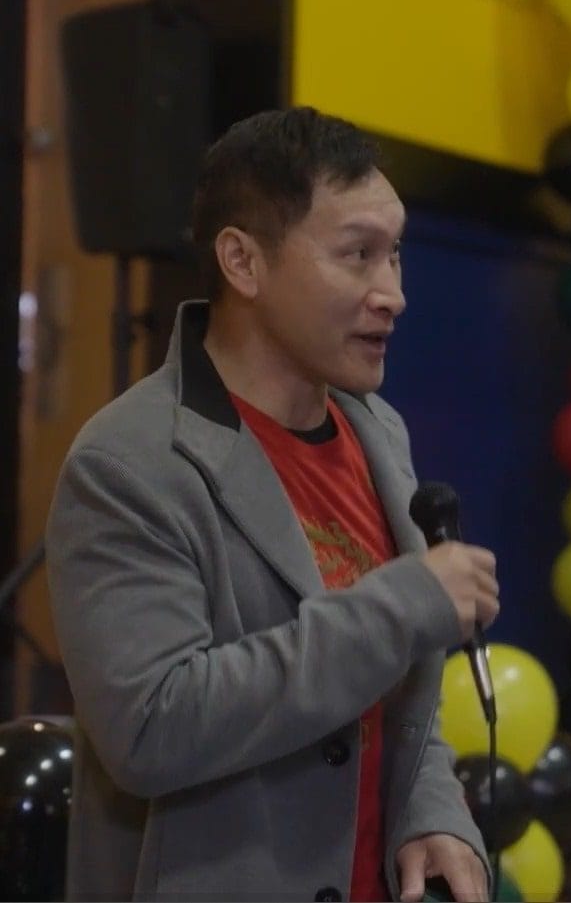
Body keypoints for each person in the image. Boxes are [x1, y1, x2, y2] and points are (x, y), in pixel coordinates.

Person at [46, 107, 500, 903]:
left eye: (395, 257)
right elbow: (151, 726)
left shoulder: (376, 431)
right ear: (242, 262)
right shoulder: (129, 461)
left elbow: (400, 706)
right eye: (357, 255)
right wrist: (403, 606)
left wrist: (433, 809)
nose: (392, 293)